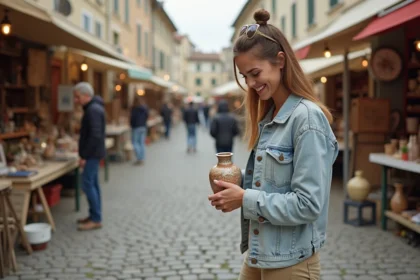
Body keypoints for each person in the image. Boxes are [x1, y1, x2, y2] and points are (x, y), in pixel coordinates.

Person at [208, 9, 338, 279]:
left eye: (255, 73)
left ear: (280, 61)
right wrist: (237, 183)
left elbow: (308, 204)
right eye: (245, 77)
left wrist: (244, 198)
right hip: (259, 254)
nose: (251, 83)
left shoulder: (307, 118)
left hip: (292, 262)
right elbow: (274, 184)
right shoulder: (270, 117)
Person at [73, 82, 106, 231]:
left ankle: (96, 218)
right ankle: (94, 215)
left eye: (77, 97)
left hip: (92, 154)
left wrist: (84, 155)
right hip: (94, 153)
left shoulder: (92, 110)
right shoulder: (94, 108)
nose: (76, 100)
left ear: (86, 95)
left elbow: (94, 135)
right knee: (93, 184)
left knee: (87, 184)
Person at [130, 95, 149, 165]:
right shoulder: (145, 108)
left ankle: (139, 157)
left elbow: (132, 119)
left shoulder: (135, 108)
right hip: (143, 126)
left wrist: (132, 125)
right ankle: (142, 158)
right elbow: (147, 116)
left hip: (136, 127)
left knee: (135, 143)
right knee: (141, 143)